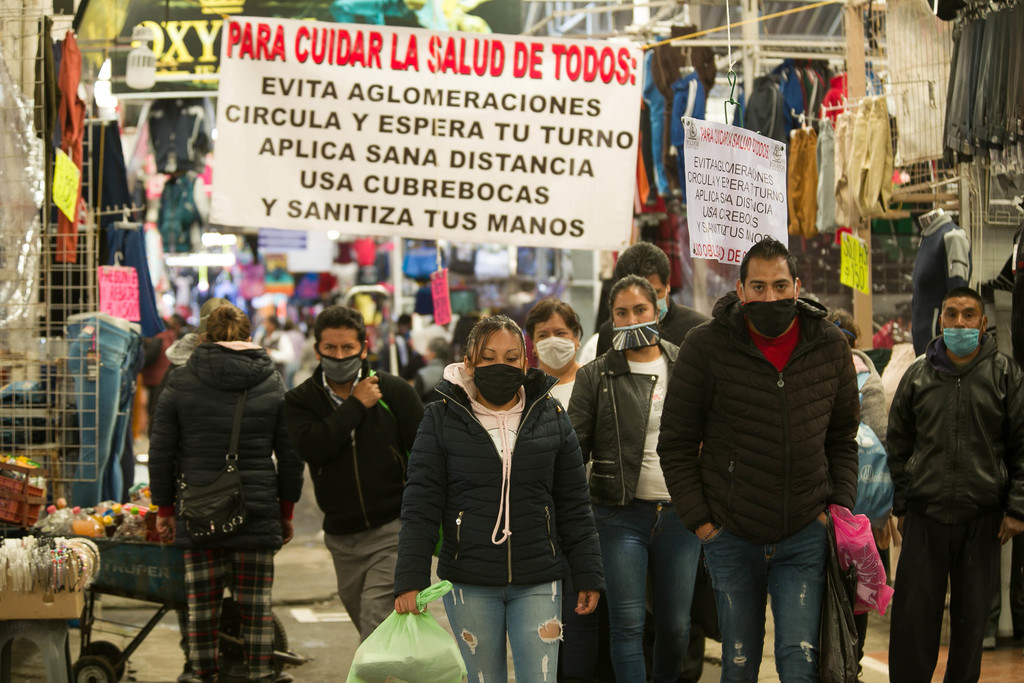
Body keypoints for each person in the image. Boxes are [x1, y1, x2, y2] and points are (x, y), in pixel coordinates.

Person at [658, 236, 860, 680]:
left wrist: (837, 508)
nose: (771, 297)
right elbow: (674, 443)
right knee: (739, 662)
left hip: (806, 531)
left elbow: (844, 437)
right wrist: (701, 523)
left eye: (780, 286)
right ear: (741, 290)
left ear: (798, 287)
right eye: (760, 287)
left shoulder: (829, 345)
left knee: (800, 661)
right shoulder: (705, 347)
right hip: (731, 534)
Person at [394, 314, 604, 682]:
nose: (500, 366)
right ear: (469, 362)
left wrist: (588, 572)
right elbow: (420, 503)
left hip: (539, 576)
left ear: (525, 363)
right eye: (488, 357)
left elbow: (573, 503)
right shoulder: (440, 418)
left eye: (510, 358)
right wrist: (410, 577)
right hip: (468, 578)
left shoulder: (551, 415)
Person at [150, 304, 304, 683]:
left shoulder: (181, 380)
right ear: (249, 337)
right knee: (256, 607)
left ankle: (202, 674)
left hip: (200, 509)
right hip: (257, 507)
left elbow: (161, 451)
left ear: (203, 337)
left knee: (201, 606)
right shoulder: (270, 380)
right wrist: (285, 512)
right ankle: (261, 674)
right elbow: (290, 454)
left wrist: (165, 509)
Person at [887, 286, 1024, 682]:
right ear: (941, 320)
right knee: (913, 624)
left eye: (968, 315)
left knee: (970, 627)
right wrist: (899, 503)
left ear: (983, 323)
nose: (959, 322)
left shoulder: (1006, 376)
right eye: (951, 314)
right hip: (924, 518)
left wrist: (1016, 508)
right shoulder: (917, 376)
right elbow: (897, 444)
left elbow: (1022, 447)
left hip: (981, 521)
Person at [568, 275, 700, 683]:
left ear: (657, 309)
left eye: (640, 309)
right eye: (620, 313)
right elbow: (574, 454)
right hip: (618, 516)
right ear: (610, 320)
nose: (631, 319)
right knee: (626, 625)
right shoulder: (595, 376)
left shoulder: (687, 365)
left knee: (676, 627)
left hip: (681, 515)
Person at [284, 305, 424, 641]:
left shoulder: (394, 392)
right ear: (317, 349)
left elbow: (426, 456)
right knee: (368, 623)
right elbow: (313, 448)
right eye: (330, 348)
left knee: (375, 626)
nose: (339, 355)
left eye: (348, 348)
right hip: (341, 537)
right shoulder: (300, 401)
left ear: (364, 347)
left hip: (393, 530)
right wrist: (356, 406)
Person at [523, 297, 594, 681]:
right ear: (531, 343)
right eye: (543, 334)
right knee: (539, 629)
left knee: (581, 625)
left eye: (561, 333)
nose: (553, 341)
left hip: (586, 521)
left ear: (577, 337)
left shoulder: (593, 382)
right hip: (535, 526)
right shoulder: (522, 393)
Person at [829, 308, 892, 675]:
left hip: (856, 517)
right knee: (852, 600)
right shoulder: (871, 382)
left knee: (854, 601)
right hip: (853, 516)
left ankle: (849, 669)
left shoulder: (867, 384)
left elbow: (880, 448)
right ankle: (847, 669)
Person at [579, 242, 707, 364]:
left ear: (667, 284)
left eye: (655, 293)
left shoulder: (698, 330)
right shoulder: (610, 333)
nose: (648, 304)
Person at [413, 335, 450, 403]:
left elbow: (415, 402)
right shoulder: (453, 372)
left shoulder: (422, 374)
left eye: (427, 350)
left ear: (433, 354)